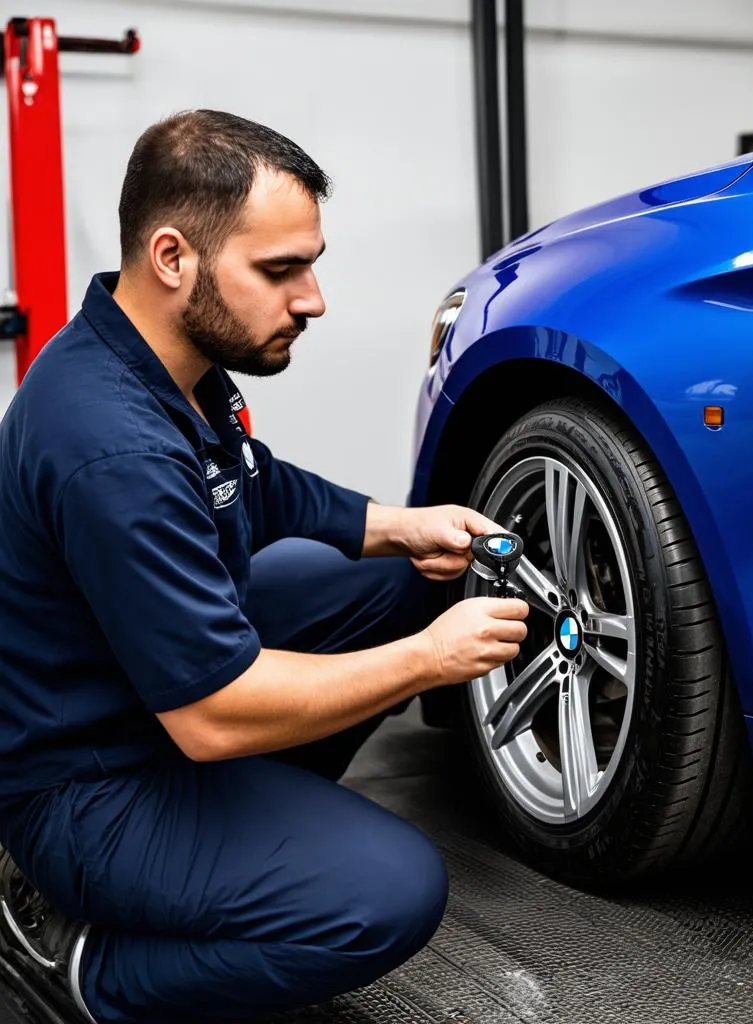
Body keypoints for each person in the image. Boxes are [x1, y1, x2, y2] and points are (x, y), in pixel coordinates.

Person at [0, 109, 530, 1023]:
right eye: (281, 270)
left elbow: (254, 483)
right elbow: (210, 716)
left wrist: (403, 526)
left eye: (310, 262)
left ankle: (254, 837)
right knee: (389, 893)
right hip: (91, 788)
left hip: (141, 698)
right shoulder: (109, 443)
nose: (314, 297)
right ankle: (93, 967)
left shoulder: (170, 357)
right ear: (173, 258)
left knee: (402, 576)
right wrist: (430, 661)